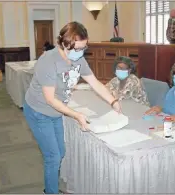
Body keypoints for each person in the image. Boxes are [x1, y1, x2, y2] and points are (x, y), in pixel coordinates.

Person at [23, 21, 121, 194]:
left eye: (83, 48)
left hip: (55, 112)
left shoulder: (79, 59)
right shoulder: (48, 61)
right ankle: (50, 191)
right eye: (77, 49)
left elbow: (94, 82)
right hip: (39, 111)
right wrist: (77, 115)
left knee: (60, 152)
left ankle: (51, 183)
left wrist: (113, 101)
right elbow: (50, 99)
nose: (80, 53)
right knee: (53, 156)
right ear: (64, 44)